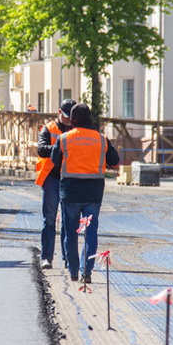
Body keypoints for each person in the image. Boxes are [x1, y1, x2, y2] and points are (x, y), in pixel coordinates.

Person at [51, 103, 120, 283]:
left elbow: (54, 161)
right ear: (90, 119)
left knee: (70, 233)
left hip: (70, 193)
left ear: (72, 120)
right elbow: (115, 161)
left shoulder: (64, 139)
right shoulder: (102, 139)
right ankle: (86, 271)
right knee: (91, 233)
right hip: (93, 194)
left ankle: (73, 271)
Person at [35, 99, 76, 270]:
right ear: (59, 112)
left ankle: (67, 259)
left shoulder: (76, 130)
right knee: (49, 219)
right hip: (51, 178)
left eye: (71, 117)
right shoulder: (49, 129)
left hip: (69, 178)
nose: (68, 120)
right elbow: (41, 149)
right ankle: (46, 257)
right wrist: (60, 148)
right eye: (66, 116)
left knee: (68, 220)